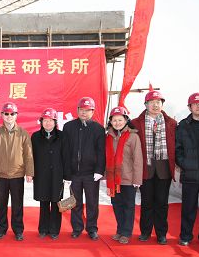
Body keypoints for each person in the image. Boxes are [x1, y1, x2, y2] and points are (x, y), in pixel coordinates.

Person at [132, 90, 176, 245]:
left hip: (163, 167)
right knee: (146, 202)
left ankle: (161, 233)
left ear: (162, 104)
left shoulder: (171, 123)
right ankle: (145, 232)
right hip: (145, 168)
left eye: (158, 102)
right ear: (146, 105)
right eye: (152, 102)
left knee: (162, 202)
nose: (156, 105)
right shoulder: (136, 123)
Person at [0, 102, 33, 241]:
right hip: (1, 175)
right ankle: (1, 229)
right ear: (2, 115)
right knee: (1, 203)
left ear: (16, 115)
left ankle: (18, 230)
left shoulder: (23, 134)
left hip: (17, 174)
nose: (9, 116)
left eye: (11, 114)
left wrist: (29, 172)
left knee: (17, 204)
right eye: (6, 114)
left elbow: (28, 155)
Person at [62, 97, 105, 240]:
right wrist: (66, 173)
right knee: (75, 202)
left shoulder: (98, 129)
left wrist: (99, 171)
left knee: (92, 202)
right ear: (77, 110)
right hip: (74, 174)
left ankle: (92, 228)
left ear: (92, 111)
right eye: (82, 110)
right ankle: (77, 228)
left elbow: (101, 152)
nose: (84, 113)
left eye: (88, 110)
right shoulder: (68, 127)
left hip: (91, 174)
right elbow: (66, 152)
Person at [105, 107, 143, 244]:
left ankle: (126, 232)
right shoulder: (108, 137)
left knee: (128, 206)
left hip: (128, 179)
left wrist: (137, 179)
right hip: (113, 180)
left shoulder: (133, 137)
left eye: (120, 120)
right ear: (110, 122)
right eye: (114, 120)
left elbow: (138, 159)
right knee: (116, 205)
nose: (117, 123)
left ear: (126, 120)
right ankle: (120, 230)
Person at [175, 92, 199, 246]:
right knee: (188, 208)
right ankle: (186, 236)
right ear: (190, 107)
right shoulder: (183, 125)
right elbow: (177, 149)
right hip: (190, 175)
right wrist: (186, 164)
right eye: (195, 103)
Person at [31, 108, 64, 240]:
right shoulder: (35, 137)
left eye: (51, 120)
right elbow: (31, 156)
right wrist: (31, 173)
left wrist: (67, 175)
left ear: (55, 122)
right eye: (45, 120)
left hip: (57, 174)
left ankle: (55, 229)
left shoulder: (62, 136)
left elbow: (66, 156)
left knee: (56, 202)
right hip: (41, 175)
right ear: (41, 122)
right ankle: (43, 229)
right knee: (43, 202)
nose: (48, 123)